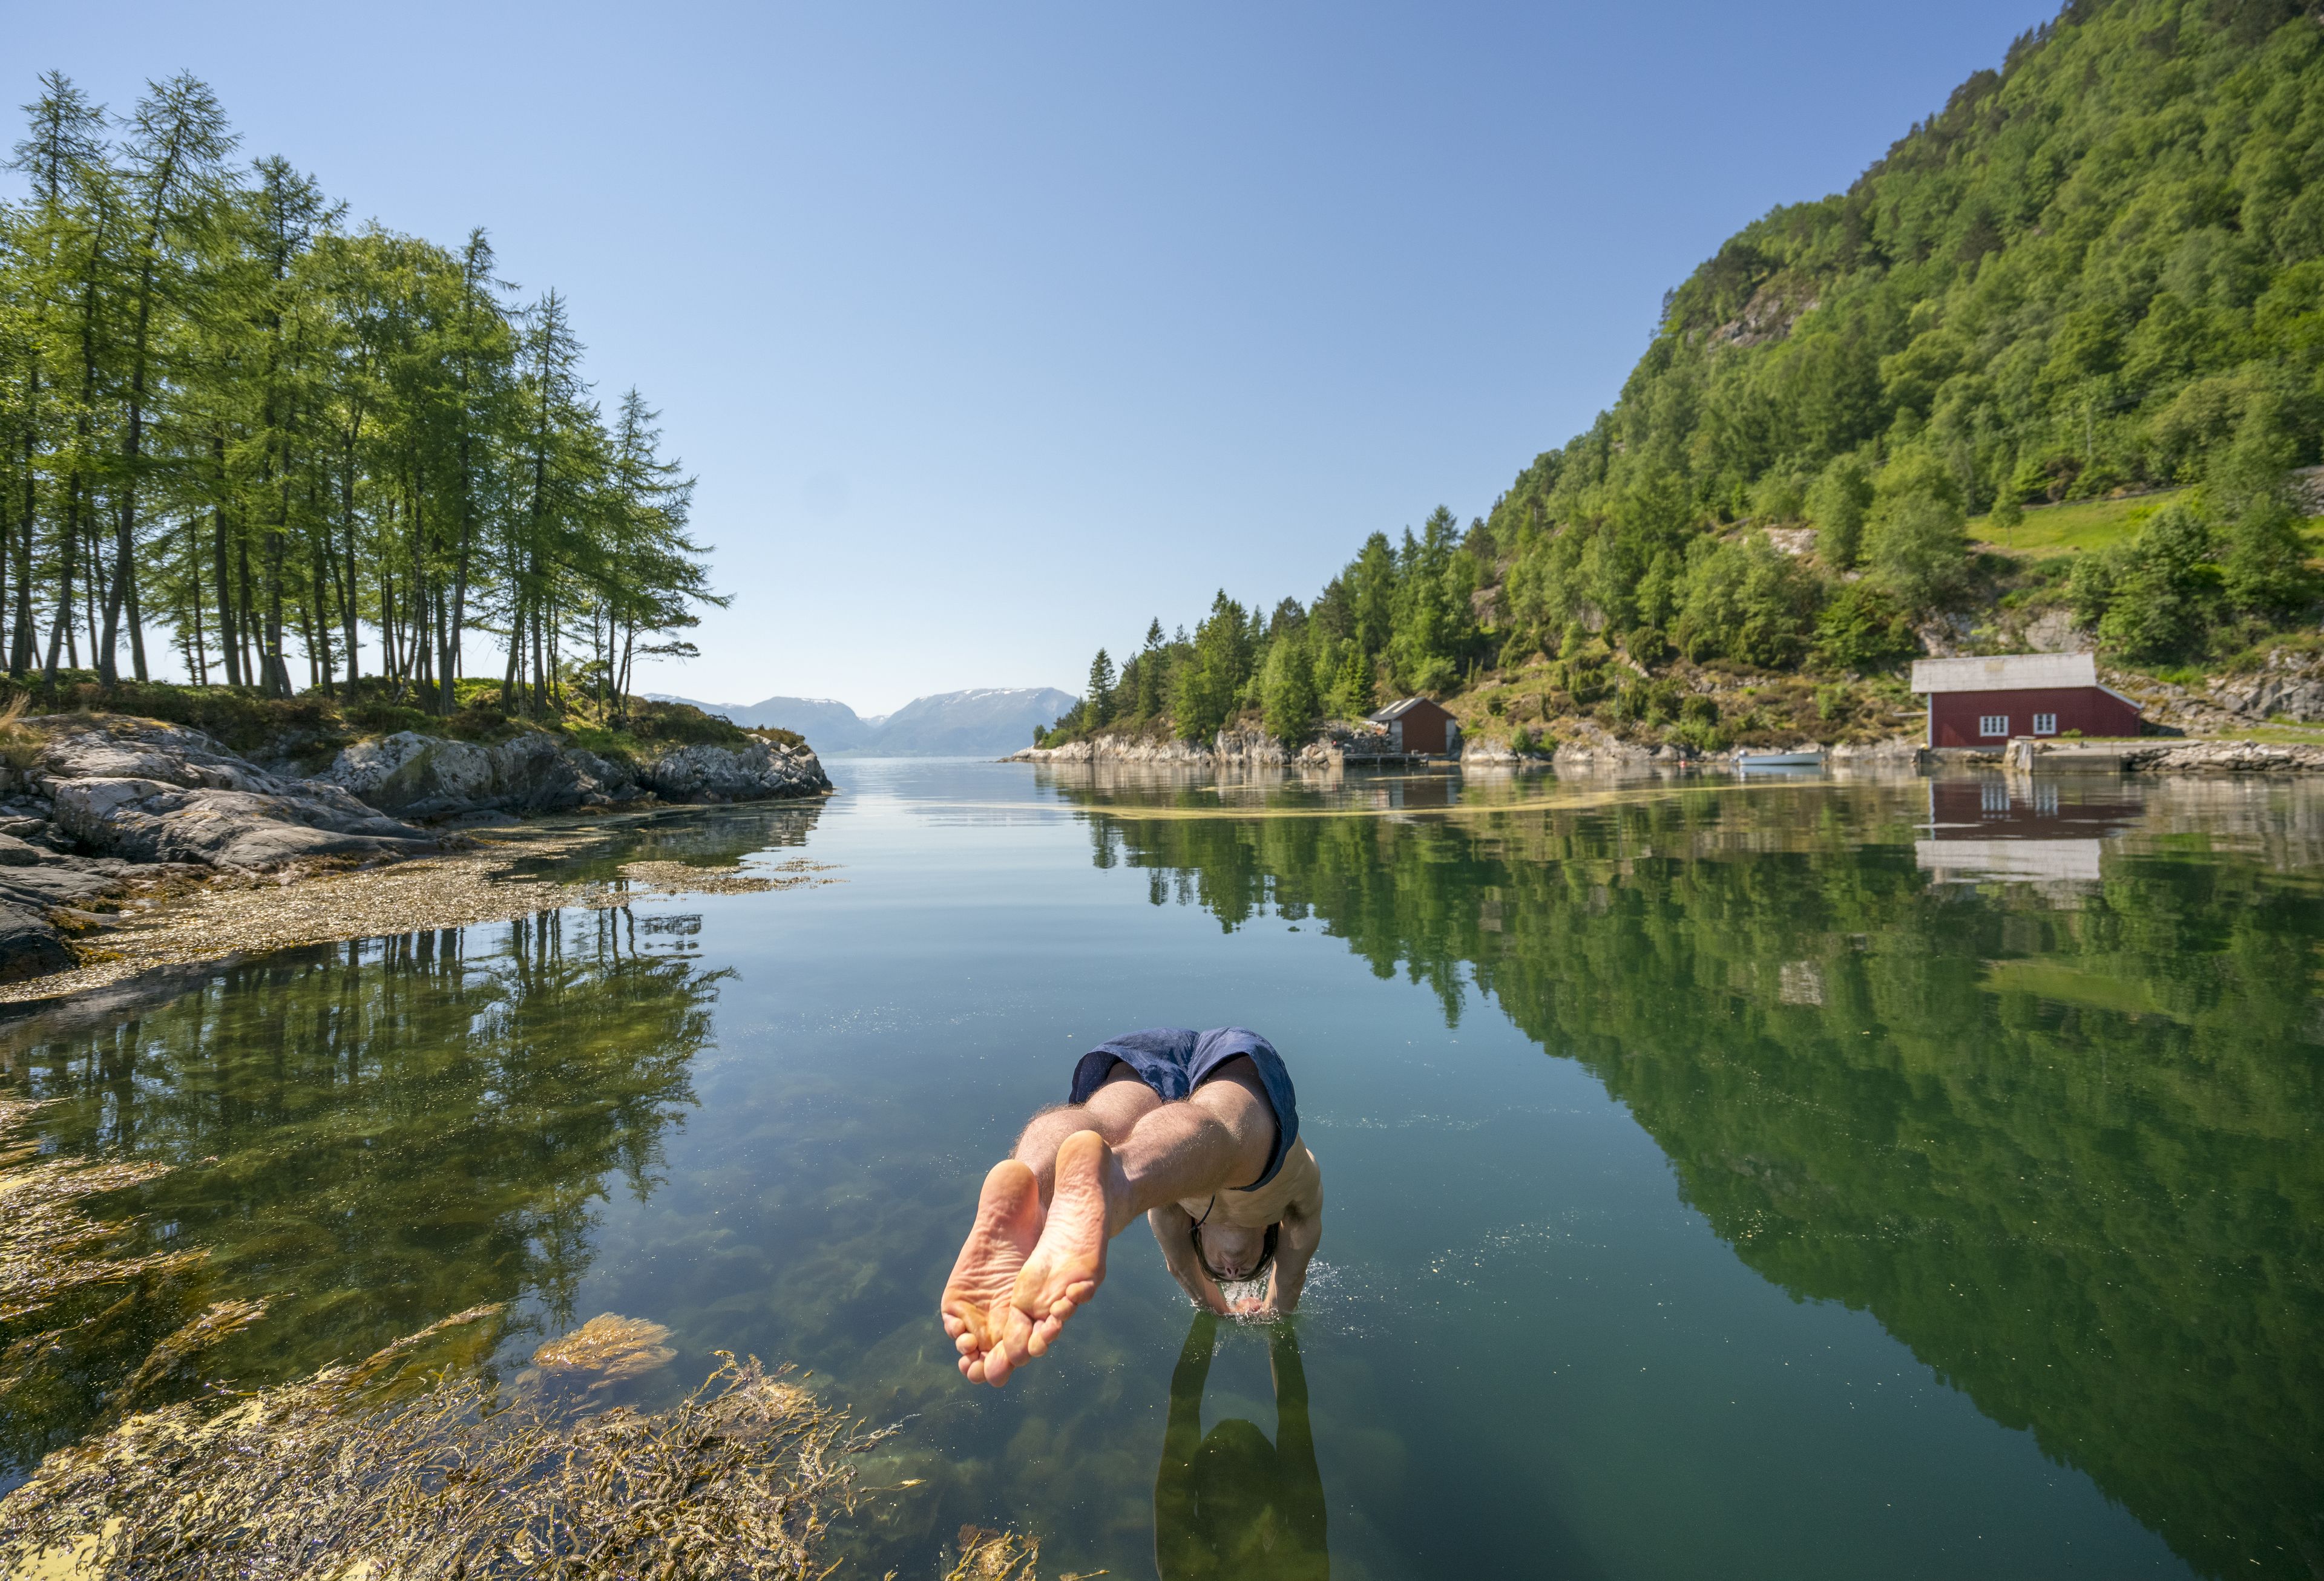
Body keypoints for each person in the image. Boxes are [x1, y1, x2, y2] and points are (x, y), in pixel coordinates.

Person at [939, 1027, 1324, 1386]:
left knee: (1100, 1122)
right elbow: (1290, 1279)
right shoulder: (1288, 1207)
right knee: (1220, 1127)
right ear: (1269, 1232)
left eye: (1221, 1271)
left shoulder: (1174, 1205)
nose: (1231, 1269)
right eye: (1244, 1268)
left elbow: (1180, 1267)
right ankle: (1117, 1183)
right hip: (1236, 1061)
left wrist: (1218, 1307)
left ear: (1198, 1232)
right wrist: (1273, 1314)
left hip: (1150, 1052)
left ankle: (1034, 1191)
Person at [1154, 1312, 1329, 1580]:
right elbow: (1296, 1428)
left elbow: (1181, 1412)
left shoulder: (1186, 1566)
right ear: (1273, 1494)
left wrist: (1206, 1312)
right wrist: (1278, 1315)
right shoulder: (1298, 1561)